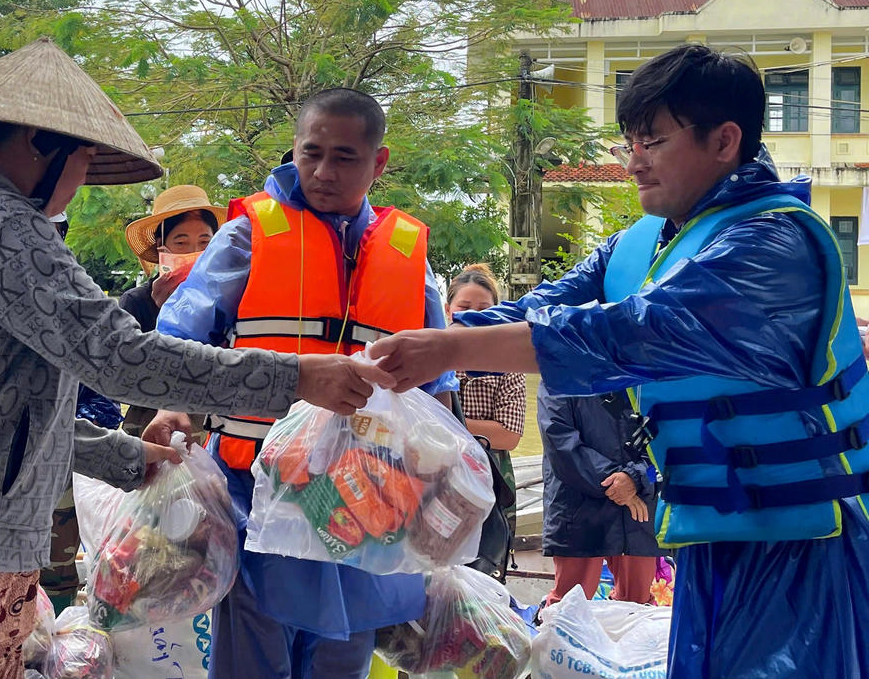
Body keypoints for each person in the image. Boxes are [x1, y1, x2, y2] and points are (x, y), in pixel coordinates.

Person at [0, 37, 396, 679]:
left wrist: (125, 456)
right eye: (84, 158)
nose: (81, 178)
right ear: (40, 142)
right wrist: (297, 376)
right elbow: (118, 356)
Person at [372, 43, 869, 679]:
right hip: (714, 539)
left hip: (805, 549)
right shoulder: (643, 244)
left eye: (652, 142)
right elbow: (541, 307)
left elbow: (628, 333)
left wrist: (447, 349)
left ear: (724, 141)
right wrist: (405, 344)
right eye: (628, 143)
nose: (632, 162)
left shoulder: (773, 245)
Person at [145, 88, 461, 679]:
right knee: (254, 652)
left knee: (343, 658)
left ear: (379, 162)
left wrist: (446, 477)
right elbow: (183, 332)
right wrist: (173, 406)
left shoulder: (407, 253)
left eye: (344, 157)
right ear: (294, 149)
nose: (323, 171)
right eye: (311, 153)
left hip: (367, 502)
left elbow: (437, 375)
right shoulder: (249, 235)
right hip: (260, 491)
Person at [117, 184, 226, 436]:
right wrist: (162, 314)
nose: (194, 252)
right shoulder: (137, 301)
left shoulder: (226, 297)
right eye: (181, 242)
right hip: (152, 428)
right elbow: (123, 373)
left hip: (214, 425)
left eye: (204, 242)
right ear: (161, 248)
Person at [538, 384, 659, 607]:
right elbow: (559, 442)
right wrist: (618, 483)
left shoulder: (648, 373)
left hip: (638, 504)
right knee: (570, 603)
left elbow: (667, 441)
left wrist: (637, 478)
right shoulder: (558, 376)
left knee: (638, 603)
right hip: (578, 505)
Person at [445, 264, 525, 533]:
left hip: (492, 480)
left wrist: (449, 421)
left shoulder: (509, 363)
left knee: (490, 552)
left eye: (484, 309)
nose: (473, 316)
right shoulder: (432, 360)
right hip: (437, 477)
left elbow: (509, 436)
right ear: (447, 310)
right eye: (464, 307)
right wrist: (481, 428)